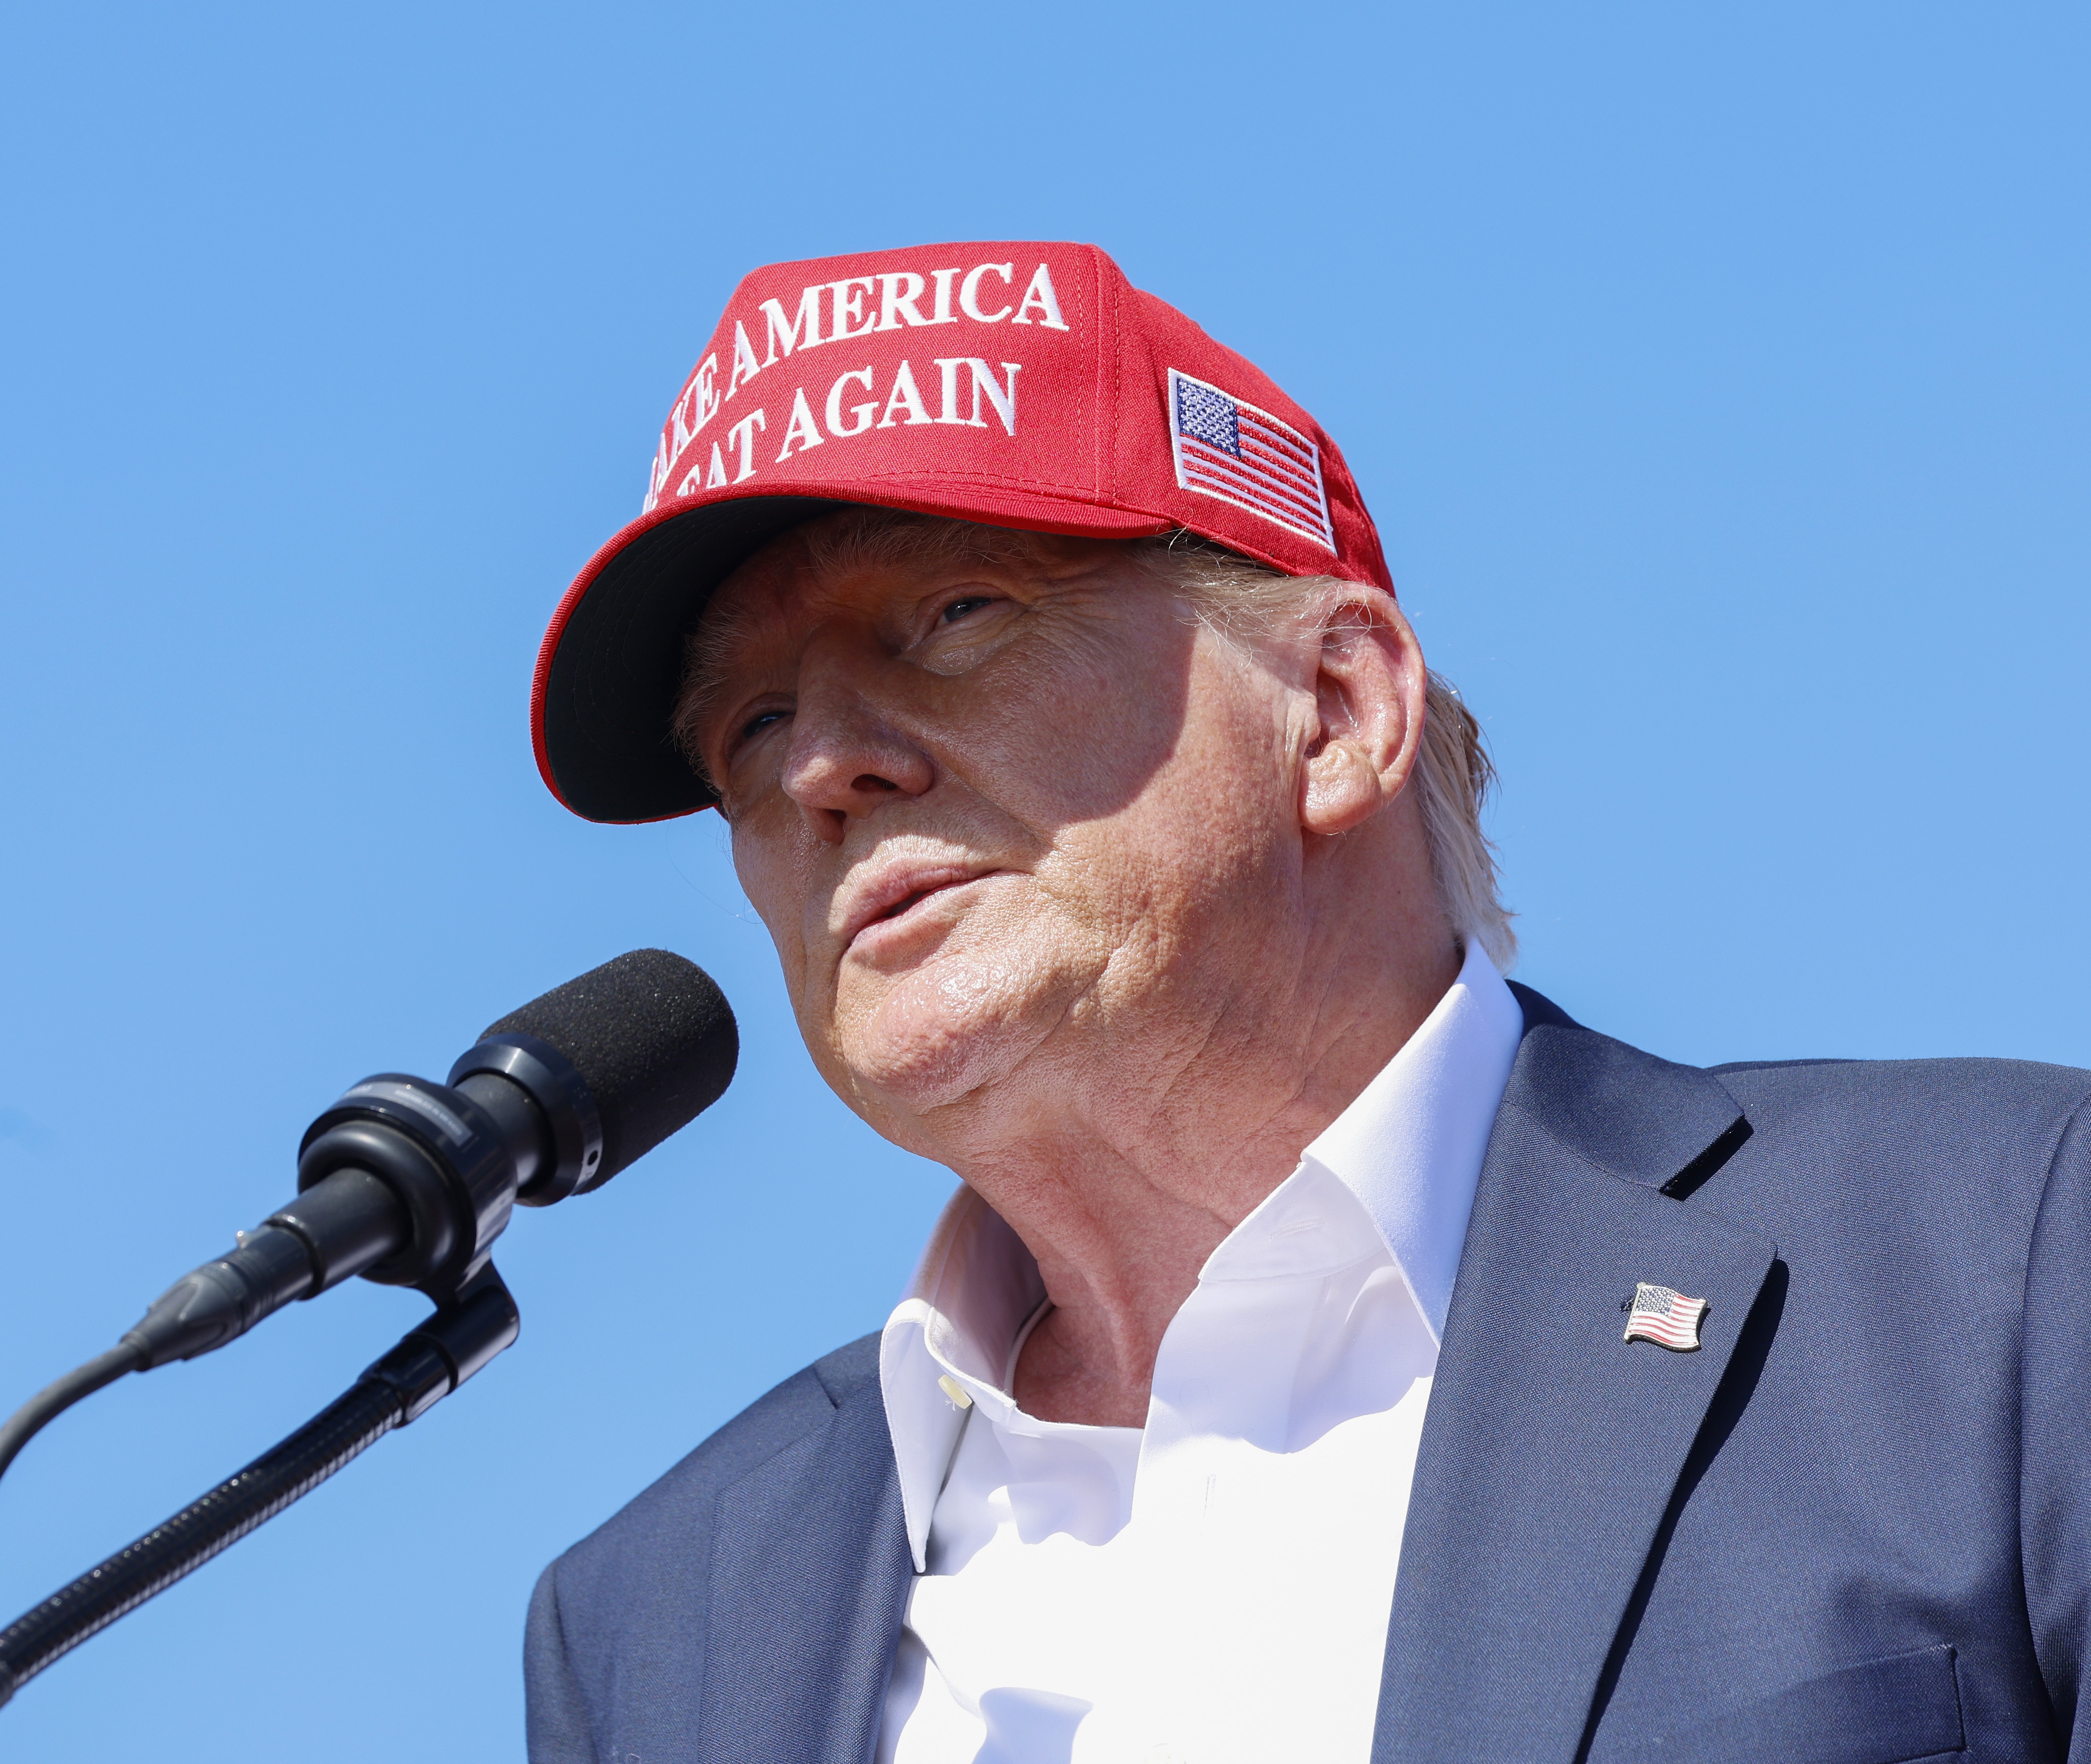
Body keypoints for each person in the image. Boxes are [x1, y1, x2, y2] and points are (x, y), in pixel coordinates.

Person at [520, 241, 2091, 1764]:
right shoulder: (660, 1620)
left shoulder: (1999, 1263)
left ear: (1336, 712)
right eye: (748, 724)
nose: (817, 769)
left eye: (956, 618)